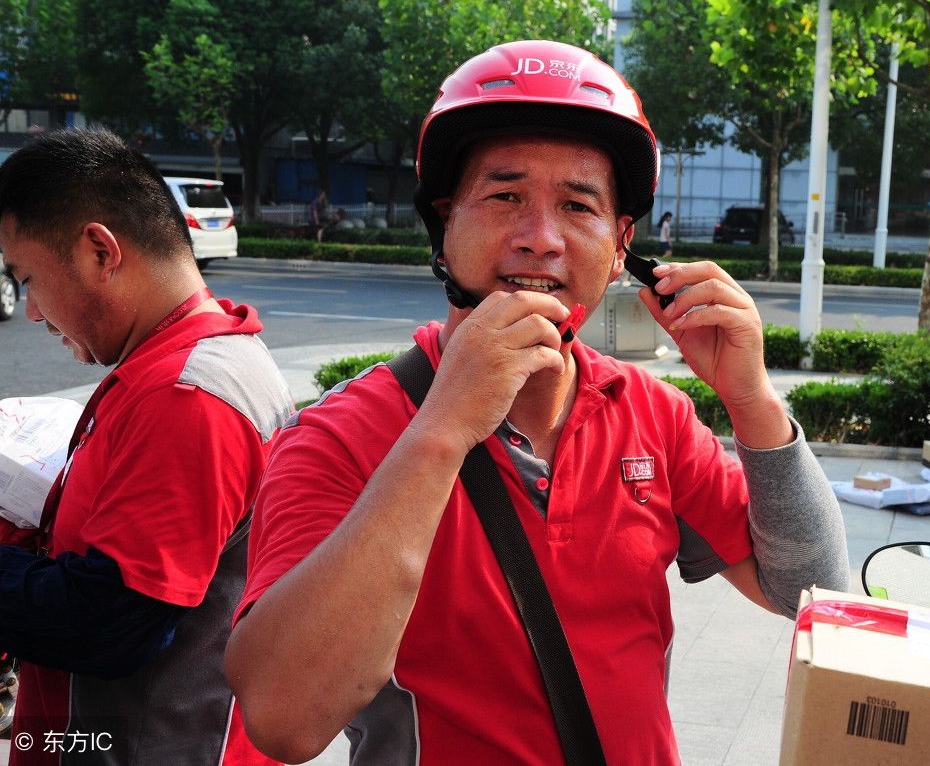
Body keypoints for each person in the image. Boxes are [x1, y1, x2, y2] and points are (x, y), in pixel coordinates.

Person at [225, 39, 850, 764]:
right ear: (444, 222)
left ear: (621, 247)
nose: (541, 239)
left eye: (577, 206)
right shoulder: (340, 435)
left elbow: (815, 598)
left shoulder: (652, 413)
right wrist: (443, 429)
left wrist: (752, 399)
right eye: (505, 196)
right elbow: (282, 717)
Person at [0, 128, 293, 765]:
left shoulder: (187, 398)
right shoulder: (189, 361)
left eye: (28, 280)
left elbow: (108, 622)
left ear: (100, 251)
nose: (31, 313)